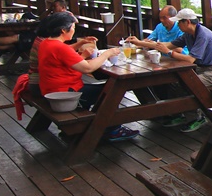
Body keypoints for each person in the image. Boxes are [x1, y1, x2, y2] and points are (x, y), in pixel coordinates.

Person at [37, 11, 139, 142]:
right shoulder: (60, 47)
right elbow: (87, 68)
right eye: (73, 28)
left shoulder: (46, 43)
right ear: (63, 30)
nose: (74, 31)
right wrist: (107, 53)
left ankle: (81, 129)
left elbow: (66, 56)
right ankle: (112, 130)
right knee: (113, 91)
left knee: (105, 89)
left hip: (52, 90)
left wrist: (81, 44)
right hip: (65, 94)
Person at [150, 8, 212, 133]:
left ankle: (199, 117)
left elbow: (190, 59)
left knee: (188, 85)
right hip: (200, 69)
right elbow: (169, 44)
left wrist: (168, 52)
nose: (177, 25)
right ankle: (179, 114)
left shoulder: (203, 35)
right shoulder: (188, 34)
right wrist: (143, 44)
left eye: (179, 22)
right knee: (174, 83)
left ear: (188, 22)